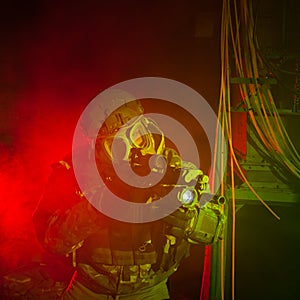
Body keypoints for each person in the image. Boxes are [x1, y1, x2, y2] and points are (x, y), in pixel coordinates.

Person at [32, 97, 226, 300]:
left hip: (150, 290)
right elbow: (51, 241)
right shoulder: (75, 173)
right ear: (100, 148)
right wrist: (96, 208)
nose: (137, 151)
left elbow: (217, 229)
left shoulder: (176, 171)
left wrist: (190, 220)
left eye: (139, 136)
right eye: (118, 145)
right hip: (89, 289)